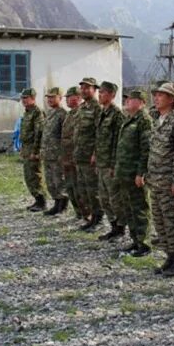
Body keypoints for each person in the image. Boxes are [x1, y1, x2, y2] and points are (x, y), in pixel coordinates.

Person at [147, 82, 174, 273]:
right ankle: (168, 256)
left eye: (161, 95)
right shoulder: (158, 119)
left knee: (172, 221)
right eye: (156, 95)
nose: (156, 98)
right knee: (159, 221)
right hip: (154, 180)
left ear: (172, 99)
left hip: (168, 182)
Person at [114, 90, 153, 255]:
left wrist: (141, 173)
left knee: (140, 208)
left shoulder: (144, 120)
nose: (127, 101)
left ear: (142, 102)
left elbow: (146, 149)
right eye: (127, 99)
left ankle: (144, 244)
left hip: (135, 173)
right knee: (129, 208)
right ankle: (135, 240)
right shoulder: (129, 119)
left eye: (131, 99)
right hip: (125, 172)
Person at [94, 81, 126, 241]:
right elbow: (100, 138)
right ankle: (113, 226)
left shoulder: (117, 114)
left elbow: (118, 142)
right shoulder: (102, 113)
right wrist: (95, 155)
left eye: (103, 92)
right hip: (102, 163)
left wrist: (114, 165)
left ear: (112, 95)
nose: (100, 95)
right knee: (104, 198)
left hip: (110, 165)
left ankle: (120, 228)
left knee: (115, 199)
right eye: (99, 92)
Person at [74, 77, 103, 231]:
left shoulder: (97, 108)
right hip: (80, 155)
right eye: (82, 88)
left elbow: (99, 132)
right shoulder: (82, 107)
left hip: (90, 156)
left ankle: (98, 219)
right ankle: (90, 217)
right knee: (83, 189)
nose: (84, 90)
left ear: (94, 90)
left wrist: (95, 153)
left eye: (87, 88)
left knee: (93, 190)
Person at [42, 87, 68, 216]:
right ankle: (56, 203)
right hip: (48, 154)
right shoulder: (50, 113)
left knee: (59, 181)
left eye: (53, 97)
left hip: (57, 155)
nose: (50, 100)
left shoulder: (62, 115)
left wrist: (64, 154)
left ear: (60, 98)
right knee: (50, 181)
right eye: (49, 97)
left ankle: (62, 205)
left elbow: (65, 136)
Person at [19, 88, 46, 212]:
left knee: (35, 175)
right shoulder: (27, 112)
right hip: (26, 147)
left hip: (33, 148)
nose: (23, 100)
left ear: (33, 98)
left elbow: (38, 133)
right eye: (22, 98)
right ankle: (36, 199)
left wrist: (35, 151)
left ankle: (41, 201)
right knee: (28, 175)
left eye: (26, 98)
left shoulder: (37, 112)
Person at [61, 87, 84, 219]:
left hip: (76, 157)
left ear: (78, 97)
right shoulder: (69, 114)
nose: (67, 100)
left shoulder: (80, 113)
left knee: (79, 187)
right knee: (70, 187)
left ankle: (86, 213)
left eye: (70, 97)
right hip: (67, 157)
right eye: (66, 97)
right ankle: (78, 213)